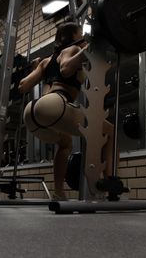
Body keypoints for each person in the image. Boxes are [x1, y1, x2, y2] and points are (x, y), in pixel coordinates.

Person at [18, 22, 110, 200]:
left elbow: (23, 86)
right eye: (80, 33)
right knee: (109, 132)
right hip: (55, 104)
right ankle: (110, 185)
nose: (83, 36)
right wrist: (90, 47)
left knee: (65, 143)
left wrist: (38, 70)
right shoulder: (73, 49)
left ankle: (59, 193)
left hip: (32, 113)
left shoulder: (45, 62)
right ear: (74, 37)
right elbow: (66, 69)